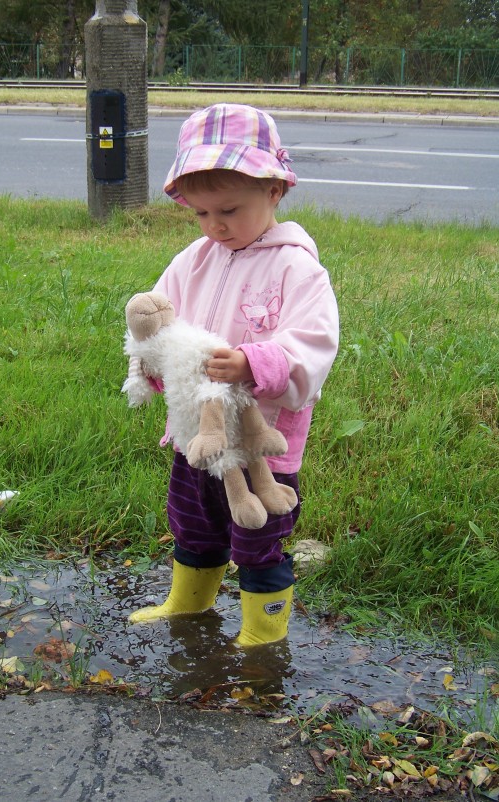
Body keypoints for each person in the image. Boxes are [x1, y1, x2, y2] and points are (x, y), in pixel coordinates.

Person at [128, 103, 339, 647]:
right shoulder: (192, 261)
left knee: (258, 533)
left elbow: (313, 346)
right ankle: (187, 603)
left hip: (260, 442)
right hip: (198, 434)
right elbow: (161, 324)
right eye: (200, 213)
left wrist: (254, 362)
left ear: (273, 191)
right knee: (194, 522)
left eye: (228, 209)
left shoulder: (298, 269)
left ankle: (262, 631)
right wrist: (154, 365)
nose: (214, 226)